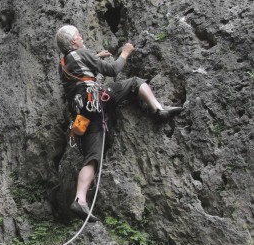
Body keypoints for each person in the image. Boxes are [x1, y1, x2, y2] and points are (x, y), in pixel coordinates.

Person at [56, 25, 183, 222]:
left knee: (92, 157)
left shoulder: (63, 63)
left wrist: (96, 56)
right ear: (73, 42)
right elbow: (112, 69)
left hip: (83, 113)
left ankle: (80, 200)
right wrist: (125, 52)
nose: (81, 37)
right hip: (96, 100)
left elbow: (80, 72)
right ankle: (159, 109)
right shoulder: (81, 53)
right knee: (134, 82)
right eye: (79, 35)